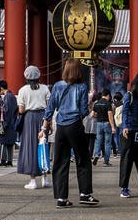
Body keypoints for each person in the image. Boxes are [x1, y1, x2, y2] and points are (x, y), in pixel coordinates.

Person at [41, 58, 99, 208]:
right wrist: (89, 108)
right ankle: (85, 194)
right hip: (75, 125)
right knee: (83, 159)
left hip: (61, 126)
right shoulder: (82, 87)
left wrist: (44, 127)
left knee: (60, 161)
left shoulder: (58, 86)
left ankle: (61, 197)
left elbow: (50, 108)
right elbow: (83, 111)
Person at [16, 65, 50, 189]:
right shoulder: (45, 88)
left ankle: (33, 180)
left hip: (29, 118)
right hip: (43, 117)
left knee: (30, 147)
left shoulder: (23, 90)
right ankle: (45, 178)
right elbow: (48, 105)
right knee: (43, 145)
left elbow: (21, 109)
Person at [92, 88, 116, 166]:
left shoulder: (96, 103)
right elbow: (110, 115)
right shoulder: (108, 104)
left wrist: (98, 116)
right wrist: (112, 127)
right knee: (107, 143)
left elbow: (92, 114)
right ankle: (106, 161)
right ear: (108, 95)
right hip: (106, 124)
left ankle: (96, 155)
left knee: (98, 141)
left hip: (98, 124)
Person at [0, 79, 18, 166]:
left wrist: (4, 123)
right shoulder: (12, 96)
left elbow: (7, 111)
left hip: (8, 123)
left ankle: (3, 160)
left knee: (3, 142)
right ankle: (9, 160)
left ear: (1, 88)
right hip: (12, 122)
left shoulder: (8, 97)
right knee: (9, 143)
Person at [112, 91, 124, 156]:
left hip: (115, 121)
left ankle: (118, 148)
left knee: (116, 136)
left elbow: (112, 113)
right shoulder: (123, 104)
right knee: (120, 135)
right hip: (121, 121)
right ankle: (120, 149)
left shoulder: (114, 104)